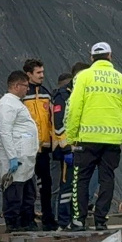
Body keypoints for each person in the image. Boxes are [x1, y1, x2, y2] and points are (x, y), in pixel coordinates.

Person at [65, 42, 122, 231]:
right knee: (107, 178)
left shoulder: (84, 77)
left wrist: (72, 135)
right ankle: (101, 220)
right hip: (112, 141)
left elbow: (74, 108)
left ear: (91, 58)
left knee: (81, 178)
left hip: (87, 138)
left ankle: (78, 220)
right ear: (110, 56)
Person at [0, 70, 39, 231]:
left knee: (27, 193)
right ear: (15, 85)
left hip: (25, 157)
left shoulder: (16, 103)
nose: (27, 89)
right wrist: (12, 157)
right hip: (16, 157)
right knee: (14, 193)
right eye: (25, 86)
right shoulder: (7, 104)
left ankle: (26, 222)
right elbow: (5, 132)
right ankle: (13, 224)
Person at [53, 63, 90, 227]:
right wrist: (67, 148)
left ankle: (77, 219)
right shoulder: (63, 95)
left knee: (80, 185)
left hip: (84, 147)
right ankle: (63, 221)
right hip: (68, 148)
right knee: (67, 186)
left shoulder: (86, 91)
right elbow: (59, 124)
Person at [21, 58, 56, 231]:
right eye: (38, 73)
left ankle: (48, 219)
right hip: (27, 147)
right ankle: (28, 219)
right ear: (28, 74)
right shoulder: (22, 96)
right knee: (27, 184)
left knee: (46, 185)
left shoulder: (46, 93)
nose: (42, 76)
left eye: (43, 72)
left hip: (44, 147)